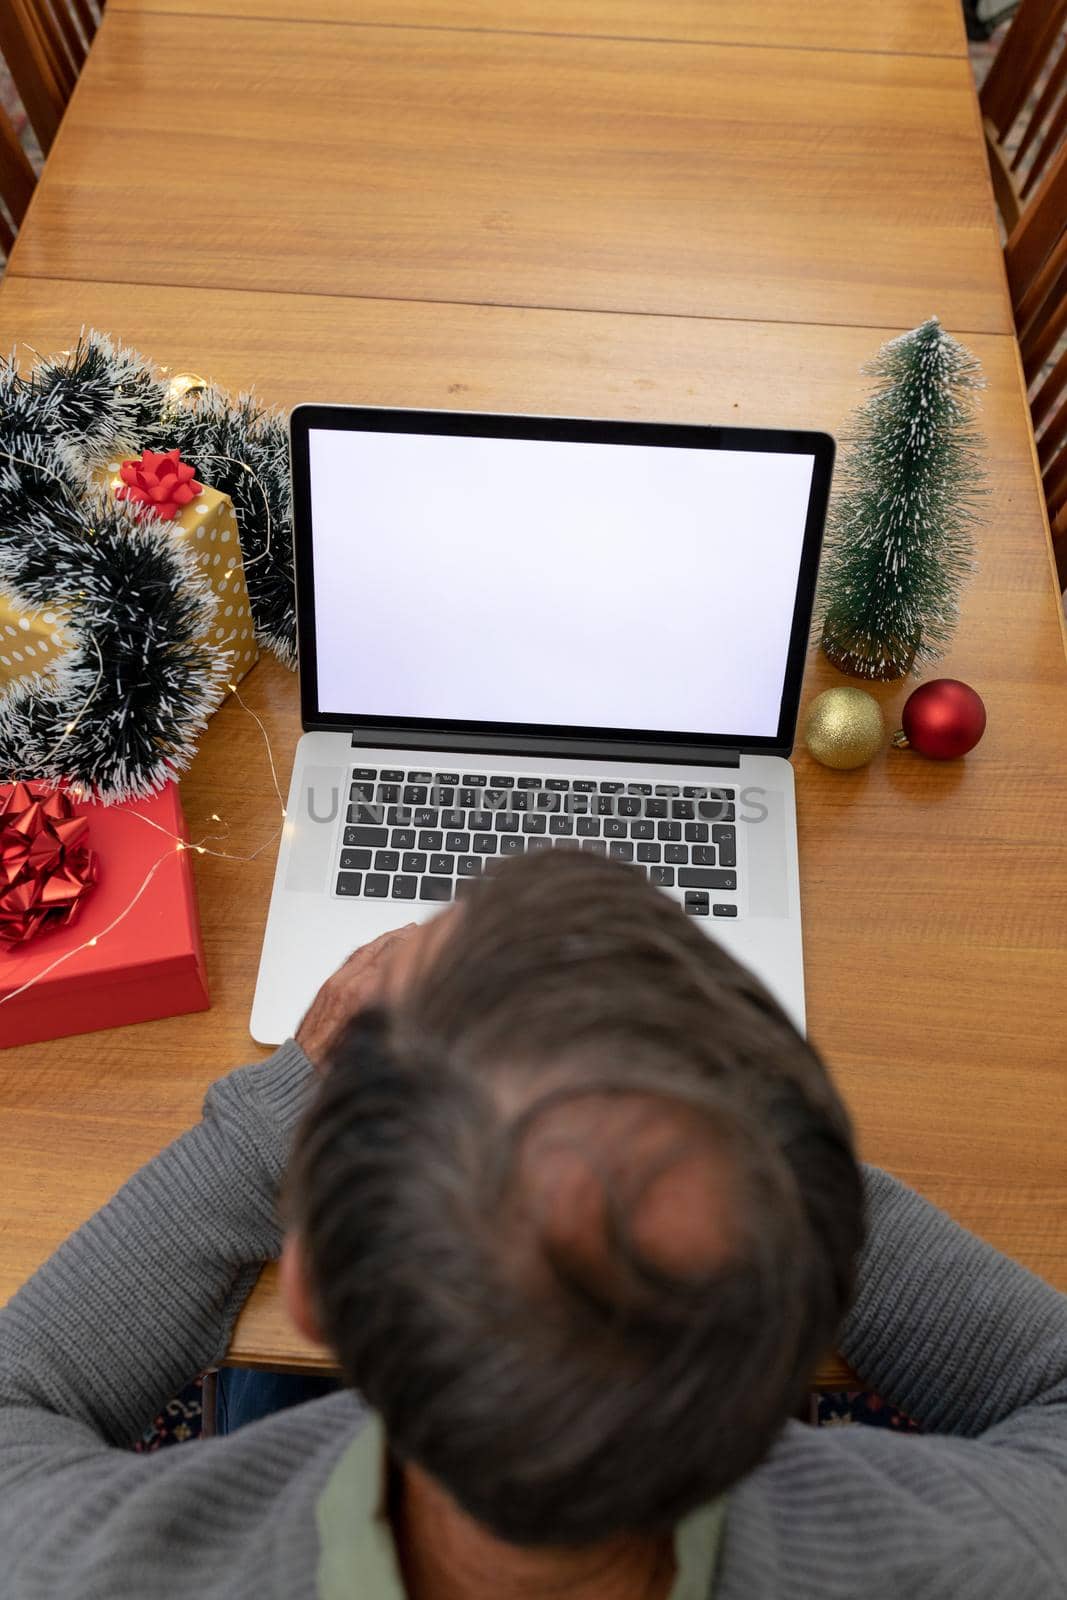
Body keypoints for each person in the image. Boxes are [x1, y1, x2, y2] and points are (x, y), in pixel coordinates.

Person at [1, 852, 1065, 1599]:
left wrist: (270, 1125)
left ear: (312, 1275)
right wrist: (742, 1140)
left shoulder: (78, 1569)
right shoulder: (998, 1556)